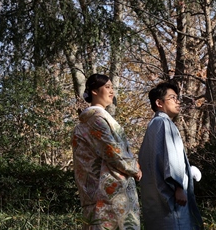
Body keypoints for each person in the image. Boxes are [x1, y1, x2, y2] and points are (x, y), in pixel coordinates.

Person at [72, 74, 142, 230]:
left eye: (112, 87)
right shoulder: (96, 118)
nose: (112, 91)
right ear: (94, 91)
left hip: (96, 188)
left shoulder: (91, 119)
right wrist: (133, 167)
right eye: (107, 87)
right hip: (107, 190)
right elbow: (112, 150)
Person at [138, 81, 202, 230]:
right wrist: (179, 186)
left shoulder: (153, 125)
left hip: (156, 198)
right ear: (159, 103)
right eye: (172, 97)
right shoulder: (164, 123)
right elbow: (172, 159)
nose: (177, 101)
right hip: (171, 197)